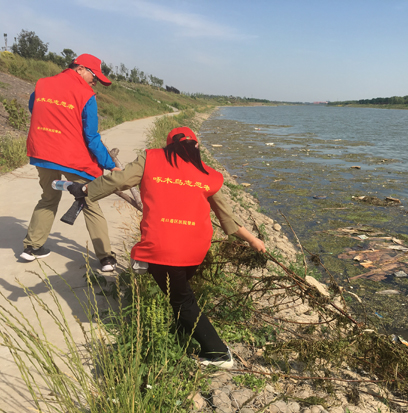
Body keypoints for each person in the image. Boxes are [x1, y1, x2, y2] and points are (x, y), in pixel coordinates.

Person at [67, 126, 266, 368]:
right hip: (195, 250)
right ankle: (182, 330)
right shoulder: (207, 173)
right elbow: (227, 218)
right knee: (179, 294)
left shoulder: (151, 158)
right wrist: (253, 240)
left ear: (168, 144)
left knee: (183, 301)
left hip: (162, 248)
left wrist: (85, 189)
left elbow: (120, 180)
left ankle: (218, 353)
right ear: (196, 147)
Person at [21, 53, 120, 271]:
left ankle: (31, 247)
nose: (95, 82)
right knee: (89, 200)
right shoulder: (86, 94)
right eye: (94, 77)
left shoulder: (43, 84)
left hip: (42, 151)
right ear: (80, 69)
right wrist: (110, 164)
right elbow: (91, 137)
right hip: (72, 157)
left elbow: (34, 108)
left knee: (48, 197)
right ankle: (106, 258)